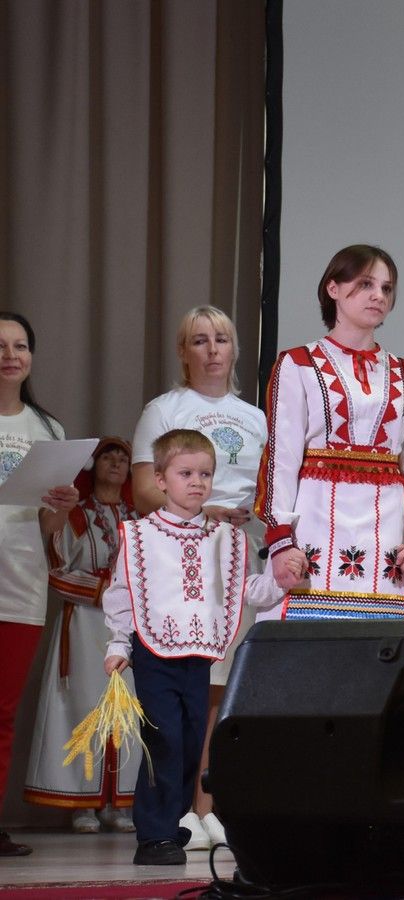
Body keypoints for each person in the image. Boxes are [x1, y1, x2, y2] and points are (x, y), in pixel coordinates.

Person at [103, 430, 286, 866]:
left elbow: (248, 590)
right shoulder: (140, 535)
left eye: (205, 473)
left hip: (197, 654)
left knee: (187, 742)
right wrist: (118, 642)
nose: (197, 482)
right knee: (161, 739)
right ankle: (154, 835)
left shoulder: (224, 537)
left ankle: (172, 821)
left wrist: (282, 578)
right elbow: (123, 592)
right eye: (186, 473)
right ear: (161, 479)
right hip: (153, 651)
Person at [130, 306, 267, 849]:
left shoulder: (255, 417)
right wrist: (204, 513)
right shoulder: (164, 410)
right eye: (200, 340)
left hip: (237, 557)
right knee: (184, 686)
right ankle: (174, 807)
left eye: (223, 339)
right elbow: (143, 489)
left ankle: (206, 805)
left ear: (234, 350)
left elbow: (270, 492)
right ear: (183, 352)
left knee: (222, 684)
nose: (213, 350)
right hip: (177, 562)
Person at [256, 245, 404, 620]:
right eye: (366, 284)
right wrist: (280, 542)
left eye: (387, 289)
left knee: (380, 659)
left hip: (385, 542)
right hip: (314, 529)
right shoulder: (298, 364)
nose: (378, 296)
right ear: (333, 289)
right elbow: (281, 460)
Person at [24, 438, 140, 833]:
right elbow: (55, 572)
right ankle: (82, 804)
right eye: (109, 455)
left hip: (126, 626)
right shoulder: (76, 515)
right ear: (93, 465)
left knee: (127, 711)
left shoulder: (140, 518)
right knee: (84, 708)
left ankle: (117, 803)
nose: (117, 463)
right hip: (85, 621)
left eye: (124, 458)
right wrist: (100, 589)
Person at [0, 311, 79, 858]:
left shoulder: (48, 431)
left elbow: (49, 527)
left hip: (20, 583)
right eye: (0, 345)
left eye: (20, 345)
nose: (10, 355)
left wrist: (63, 508)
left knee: (3, 713)